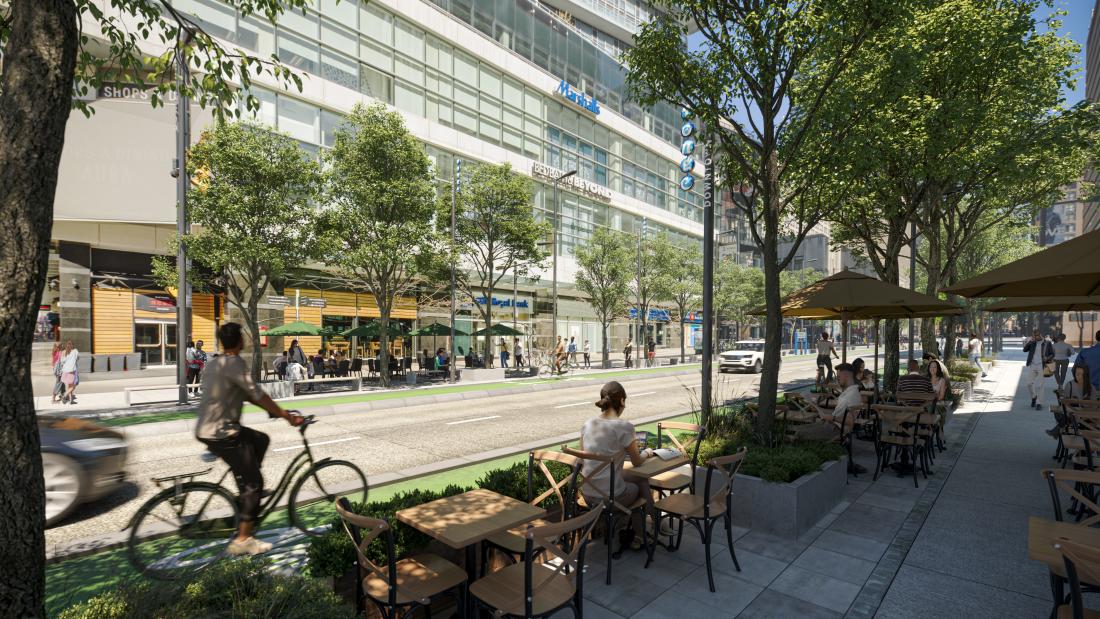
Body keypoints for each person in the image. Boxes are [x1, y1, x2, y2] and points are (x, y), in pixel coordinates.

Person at [195, 322, 303, 556]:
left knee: (260, 439)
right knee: (256, 483)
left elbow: (244, 392)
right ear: (240, 341)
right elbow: (257, 393)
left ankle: (245, 489)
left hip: (206, 428)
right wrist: (285, 415)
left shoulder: (214, 363)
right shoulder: (234, 363)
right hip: (223, 431)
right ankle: (244, 539)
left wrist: (270, 409)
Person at [579, 381, 655, 550]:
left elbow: (583, 457)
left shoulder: (588, 424)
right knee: (640, 484)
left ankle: (643, 532)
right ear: (621, 401)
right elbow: (637, 461)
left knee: (637, 480)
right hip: (609, 498)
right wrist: (648, 452)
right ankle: (647, 531)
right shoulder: (625, 427)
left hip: (587, 494)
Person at [791, 362, 860, 444]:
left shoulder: (853, 394)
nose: (837, 379)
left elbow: (850, 421)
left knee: (799, 433)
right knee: (797, 429)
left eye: (838, 377)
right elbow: (837, 414)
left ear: (846, 375)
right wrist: (817, 408)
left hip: (836, 430)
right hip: (830, 426)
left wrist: (832, 418)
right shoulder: (848, 392)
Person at [1024, 329, 1054, 410]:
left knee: (1040, 385)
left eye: (1037, 335)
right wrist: (1030, 342)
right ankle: (1034, 397)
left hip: (1042, 366)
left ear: (1041, 334)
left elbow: (1052, 354)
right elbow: (1024, 350)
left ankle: (1039, 403)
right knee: (1029, 383)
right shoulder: (1033, 343)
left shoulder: (1047, 343)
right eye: (1034, 335)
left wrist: (1047, 358)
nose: (1036, 337)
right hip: (1033, 365)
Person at [58, 340, 80, 405]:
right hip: (71, 371)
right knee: (73, 386)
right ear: (72, 345)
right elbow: (78, 358)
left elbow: (62, 362)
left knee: (69, 386)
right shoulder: (75, 351)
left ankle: (71, 401)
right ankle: (64, 395)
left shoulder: (64, 352)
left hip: (65, 371)